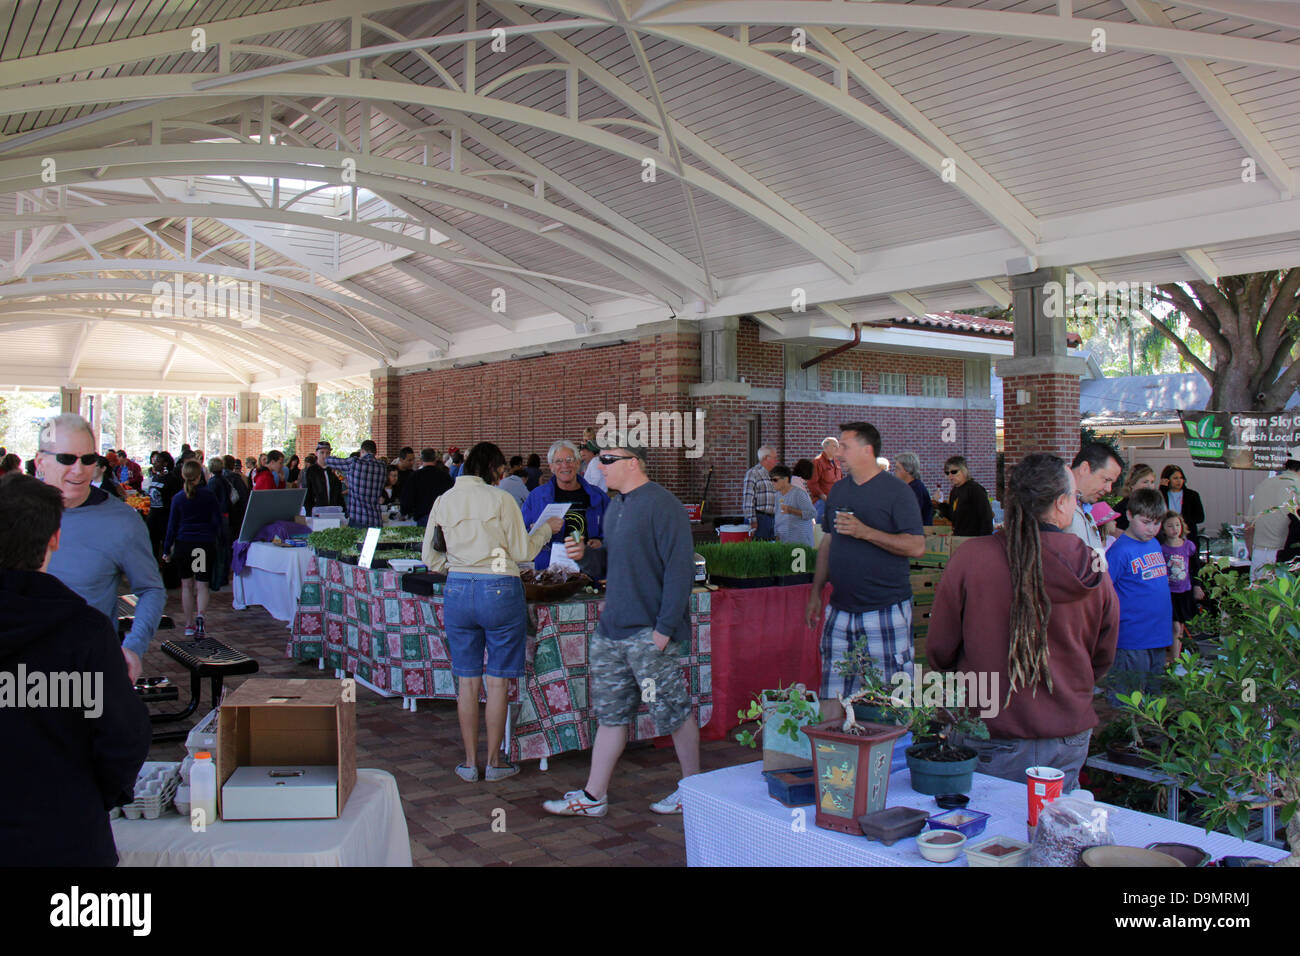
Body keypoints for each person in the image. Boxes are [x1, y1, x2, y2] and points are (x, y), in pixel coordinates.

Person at [927, 453, 1120, 793]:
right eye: (1074, 497)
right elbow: (1104, 653)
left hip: (992, 723)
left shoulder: (972, 558)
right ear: (1061, 504)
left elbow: (940, 649)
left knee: (990, 842)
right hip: (1064, 727)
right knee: (1055, 838)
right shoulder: (1092, 564)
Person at [0, 474, 152, 866]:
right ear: (54, 538)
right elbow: (124, 734)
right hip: (66, 835)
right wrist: (93, 796)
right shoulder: (84, 631)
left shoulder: (84, 629)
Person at [543, 436, 699, 817]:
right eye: (600, 460)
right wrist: (588, 558)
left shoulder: (664, 505)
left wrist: (663, 630)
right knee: (611, 714)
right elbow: (611, 565)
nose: (601, 465)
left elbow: (681, 571)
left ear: (634, 462)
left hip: (648, 634)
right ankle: (594, 796)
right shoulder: (615, 507)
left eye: (609, 459)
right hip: (612, 631)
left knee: (673, 711)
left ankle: (695, 791)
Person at [422, 442, 563, 782]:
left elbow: (430, 557)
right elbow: (522, 550)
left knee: (467, 682)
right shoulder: (500, 499)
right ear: (494, 470)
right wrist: (548, 529)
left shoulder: (444, 501)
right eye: (501, 472)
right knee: (497, 682)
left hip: (457, 589)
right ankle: (495, 762)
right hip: (499, 588)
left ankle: (470, 764)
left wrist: (456, 567)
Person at [805, 422, 925, 723]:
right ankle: (831, 756)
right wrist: (816, 593)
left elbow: (916, 546)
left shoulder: (897, 492)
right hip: (840, 608)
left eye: (845, 446)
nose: (838, 452)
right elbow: (828, 543)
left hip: (884, 607)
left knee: (891, 695)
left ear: (867, 450)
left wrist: (865, 532)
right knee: (832, 689)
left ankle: (892, 761)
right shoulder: (839, 490)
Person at [37, 414, 164, 683]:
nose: (79, 470)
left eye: (88, 459)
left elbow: (151, 589)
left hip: (87, 674)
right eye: (67, 459)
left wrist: (133, 646)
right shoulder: (14, 511)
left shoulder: (122, 521)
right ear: (41, 462)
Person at [1105, 488, 1177, 699]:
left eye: (1157, 523)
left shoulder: (1154, 543)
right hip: (1132, 639)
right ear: (1129, 515)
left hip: (1157, 636)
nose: (1152, 529)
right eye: (1145, 522)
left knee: (1154, 699)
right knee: (1128, 700)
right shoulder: (1119, 551)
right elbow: (1104, 592)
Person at [521, 440, 610, 571]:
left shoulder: (598, 496)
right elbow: (520, 535)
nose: (565, 465)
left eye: (569, 460)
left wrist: (601, 542)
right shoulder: (537, 497)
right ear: (551, 466)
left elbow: (615, 533)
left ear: (578, 463)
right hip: (549, 573)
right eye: (558, 461)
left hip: (588, 572)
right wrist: (535, 531)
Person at [164, 460, 222, 638]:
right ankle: (200, 616)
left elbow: (172, 526)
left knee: (186, 585)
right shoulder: (209, 496)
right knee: (202, 584)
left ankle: (189, 624)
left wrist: (166, 549)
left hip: (184, 544)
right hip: (203, 545)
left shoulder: (178, 498)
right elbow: (217, 522)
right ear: (200, 476)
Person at [1244, 448, 1300, 579]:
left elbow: (1249, 527)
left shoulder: (1264, 484)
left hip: (1259, 555)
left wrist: (1253, 555)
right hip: (1287, 558)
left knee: (1257, 598)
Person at [1067, 443, 1125, 556]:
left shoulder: (1083, 506)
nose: (1109, 489)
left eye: (1111, 483)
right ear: (1084, 468)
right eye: (1106, 480)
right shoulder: (1055, 508)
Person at [1159, 511, 1203, 643]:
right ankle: (1174, 659)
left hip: (1184, 590)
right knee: (1175, 626)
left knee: (1181, 625)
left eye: (1177, 525)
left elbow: (1195, 568)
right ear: (1163, 528)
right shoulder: (1161, 548)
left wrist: (1197, 586)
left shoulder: (1188, 546)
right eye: (1170, 526)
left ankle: (1177, 657)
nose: (1175, 529)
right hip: (1169, 592)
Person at [325, 440, 387, 529]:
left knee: (357, 542)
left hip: (358, 518)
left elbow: (330, 461)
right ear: (375, 452)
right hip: (376, 519)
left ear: (362, 451)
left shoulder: (355, 463)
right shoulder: (382, 466)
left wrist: (327, 455)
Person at [932, 455, 993, 536]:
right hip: (959, 538)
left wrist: (983, 541)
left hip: (974, 539)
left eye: (954, 472)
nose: (950, 476)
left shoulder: (975, 489)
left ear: (964, 471)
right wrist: (939, 504)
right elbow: (953, 516)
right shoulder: (955, 491)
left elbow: (986, 517)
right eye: (947, 473)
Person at [400, 448, 454, 526]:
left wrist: (404, 511)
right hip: (442, 517)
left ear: (421, 459)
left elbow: (407, 497)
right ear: (435, 459)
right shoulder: (445, 477)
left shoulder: (415, 476)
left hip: (422, 516)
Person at [206, 456, 233, 591]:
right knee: (225, 548)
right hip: (226, 516)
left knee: (218, 549)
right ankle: (223, 576)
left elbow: (210, 501)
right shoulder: (225, 481)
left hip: (217, 517)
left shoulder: (213, 482)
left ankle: (217, 577)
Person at [770, 464, 816, 546]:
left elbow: (812, 513)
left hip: (800, 544)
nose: (772, 483)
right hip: (784, 543)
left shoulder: (799, 494)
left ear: (786, 479)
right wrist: (776, 535)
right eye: (771, 480)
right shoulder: (777, 495)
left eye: (775, 480)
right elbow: (777, 518)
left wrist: (792, 510)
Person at [1160, 465, 1205, 543]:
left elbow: (1200, 517)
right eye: (1175, 478)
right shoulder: (1162, 494)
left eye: (1181, 478)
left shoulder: (1192, 495)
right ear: (1167, 479)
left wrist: (1182, 521)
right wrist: (1162, 489)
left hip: (1187, 535)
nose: (1179, 481)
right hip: (1166, 536)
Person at [743, 445, 779, 541]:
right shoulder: (753, 473)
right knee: (759, 550)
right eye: (774, 458)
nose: (776, 460)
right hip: (760, 519)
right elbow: (748, 501)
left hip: (774, 519)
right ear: (766, 458)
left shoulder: (775, 474)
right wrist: (752, 522)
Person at [303, 442, 346, 516]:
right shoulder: (311, 471)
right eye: (322, 453)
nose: (325, 456)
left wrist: (343, 509)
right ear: (316, 453)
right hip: (317, 510)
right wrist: (309, 511)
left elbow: (340, 489)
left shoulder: (334, 470)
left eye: (327, 453)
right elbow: (307, 493)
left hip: (334, 510)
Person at [892, 451, 933, 526]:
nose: (895, 471)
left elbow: (909, 515)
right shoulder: (907, 488)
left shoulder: (916, 489)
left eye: (898, 468)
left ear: (908, 470)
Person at [1113, 463, 1157, 531]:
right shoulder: (1122, 508)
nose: (1149, 486)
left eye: (1152, 482)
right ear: (1132, 484)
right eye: (1145, 482)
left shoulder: (1154, 505)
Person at [807, 437, 843, 519]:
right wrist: (824, 497)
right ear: (826, 447)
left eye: (838, 446)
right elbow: (812, 483)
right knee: (821, 530)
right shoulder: (817, 462)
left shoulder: (837, 462)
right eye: (834, 446)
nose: (837, 448)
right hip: (822, 503)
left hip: (836, 502)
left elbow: (840, 480)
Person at [222, 455, 250, 540]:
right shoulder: (236, 478)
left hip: (224, 513)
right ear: (233, 465)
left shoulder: (217, 478)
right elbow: (243, 496)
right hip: (236, 513)